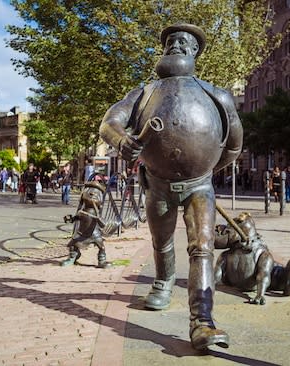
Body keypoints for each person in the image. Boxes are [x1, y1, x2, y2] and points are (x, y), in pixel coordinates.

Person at [99, 23, 243, 350]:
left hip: (199, 186)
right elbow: (109, 123)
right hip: (158, 184)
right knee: (161, 240)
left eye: (184, 42)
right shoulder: (144, 93)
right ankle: (163, 282)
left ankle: (202, 322)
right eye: (171, 42)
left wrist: (205, 168)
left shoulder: (217, 95)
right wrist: (123, 141)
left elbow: (234, 145)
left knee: (202, 247)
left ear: (195, 52)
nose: (176, 45)